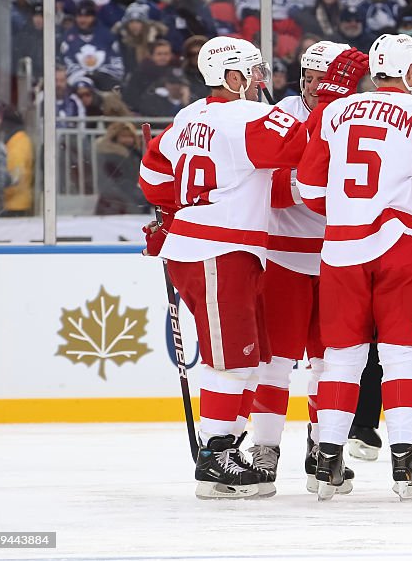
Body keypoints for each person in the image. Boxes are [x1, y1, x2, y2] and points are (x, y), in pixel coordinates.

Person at [296, 34, 412, 501]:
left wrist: (347, 213)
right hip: (402, 246)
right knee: (403, 355)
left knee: (341, 358)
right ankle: (405, 462)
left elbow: (308, 187)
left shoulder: (334, 112)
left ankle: (328, 462)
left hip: (340, 250)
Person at [138, 36, 308, 500]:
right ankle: (215, 457)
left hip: (208, 248)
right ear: (232, 77)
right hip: (219, 249)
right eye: (252, 72)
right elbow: (307, 150)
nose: (259, 81)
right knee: (230, 360)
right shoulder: (250, 118)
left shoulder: (188, 116)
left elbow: (152, 177)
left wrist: (175, 212)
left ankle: (224, 449)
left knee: (244, 355)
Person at [247, 41, 356, 497]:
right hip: (285, 257)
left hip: (337, 257)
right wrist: (311, 186)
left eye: (322, 78)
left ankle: (322, 449)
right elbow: (266, 185)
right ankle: (266, 447)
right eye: (309, 78)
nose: (314, 87)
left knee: (329, 361)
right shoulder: (282, 115)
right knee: (274, 362)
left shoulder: (357, 115)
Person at [95, 122, 147, 215]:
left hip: (124, 197)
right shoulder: (112, 155)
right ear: (115, 138)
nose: (128, 140)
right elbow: (115, 181)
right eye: (124, 136)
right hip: (116, 201)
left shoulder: (132, 153)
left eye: (130, 136)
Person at [1, 106, 33, 216]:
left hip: (14, 205)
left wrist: (2, 192)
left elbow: (15, 174)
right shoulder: (19, 140)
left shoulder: (17, 143)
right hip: (17, 202)